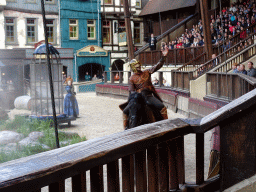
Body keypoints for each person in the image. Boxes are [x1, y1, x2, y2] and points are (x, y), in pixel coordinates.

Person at [120, 45, 169, 129]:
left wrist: (164, 57)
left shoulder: (147, 72)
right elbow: (132, 92)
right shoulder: (131, 78)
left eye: (138, 65)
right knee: (125, 111)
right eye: (136, 66)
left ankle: (166, 125)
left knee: (162, 107)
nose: (138, 67)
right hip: (137, 98)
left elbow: (158, 66)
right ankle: (126, 128)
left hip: (148, 96)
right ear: (133, 67)